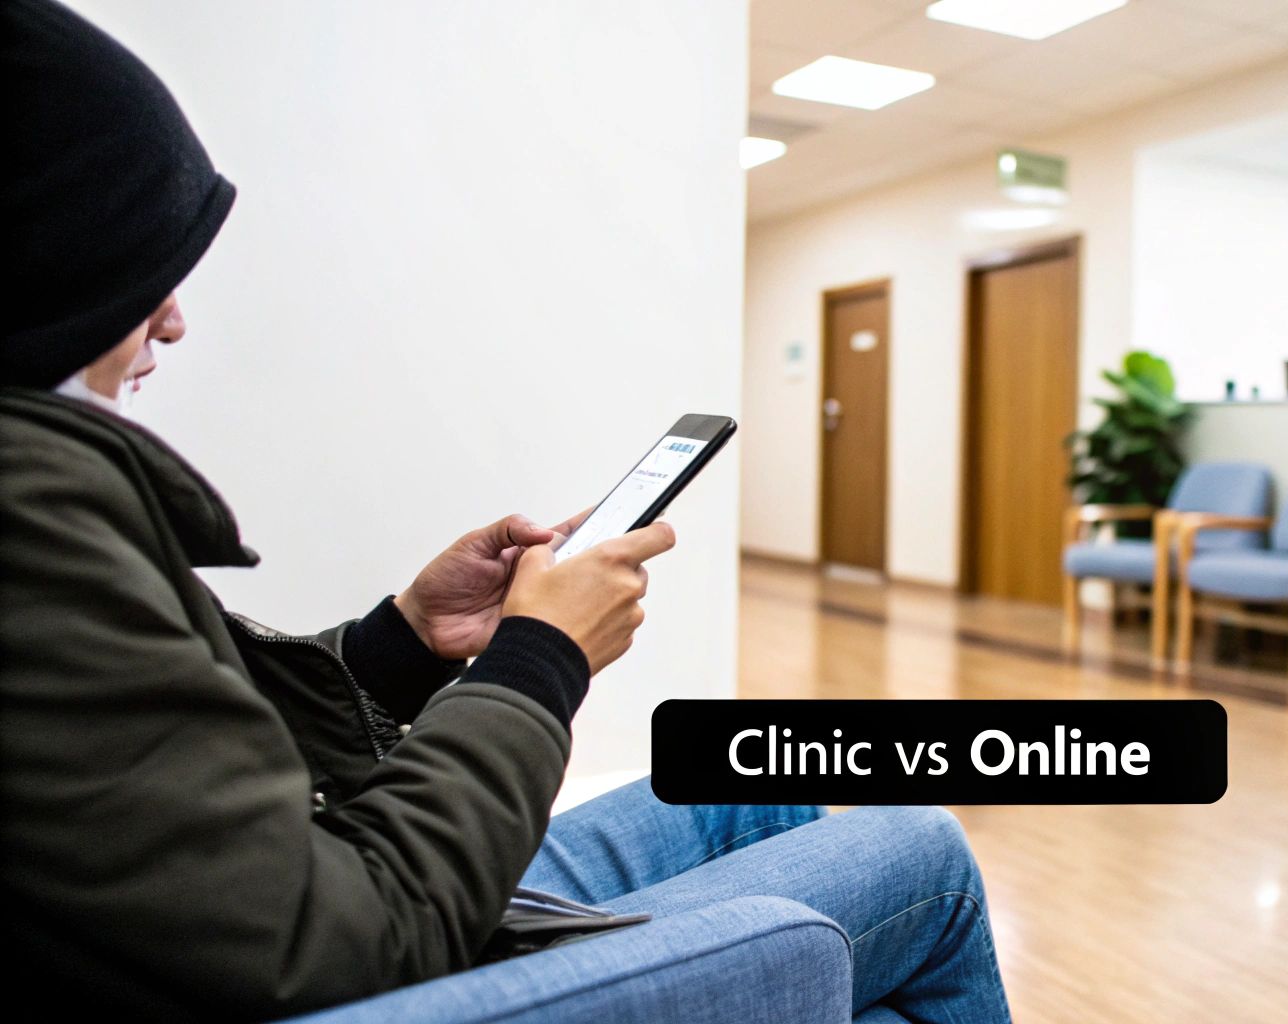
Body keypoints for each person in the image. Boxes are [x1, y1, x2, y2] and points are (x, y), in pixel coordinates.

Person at [0, 3, 1011, 1021]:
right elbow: (357, 931)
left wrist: (399, 642)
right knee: (923, 856)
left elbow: (164, 757)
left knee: (747, 785)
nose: (173, 319)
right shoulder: (32, 516)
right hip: (360, 949)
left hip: (305, 888)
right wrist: (539, 657)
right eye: (148, 272)